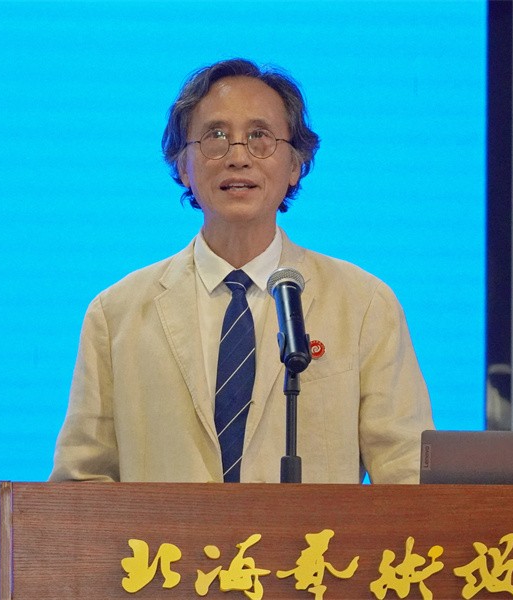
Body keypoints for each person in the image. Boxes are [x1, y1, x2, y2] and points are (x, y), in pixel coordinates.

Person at [49, 58, 433, 484]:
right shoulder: (115, 315)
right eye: (215, 136)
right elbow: (81, 486)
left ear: (295, 164)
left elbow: (408, 475)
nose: (238, 157)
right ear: (182, 165)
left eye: (259, 137)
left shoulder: (363, 305)